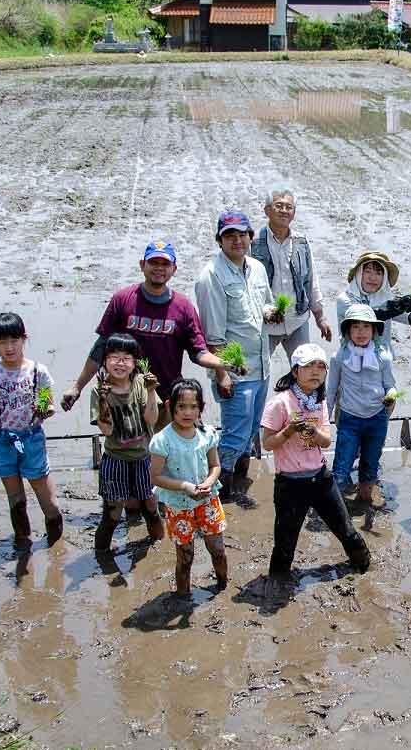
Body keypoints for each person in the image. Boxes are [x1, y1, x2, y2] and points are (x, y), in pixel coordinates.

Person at [60, 240, 235, 428]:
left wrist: (225, 365)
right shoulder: (123, 299)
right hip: (128, 397)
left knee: (175, 451)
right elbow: (101, 348)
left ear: (174, 268)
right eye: (154, 263)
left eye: (165, 264)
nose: (159, 268)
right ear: (142, 265)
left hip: (168, 397)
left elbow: (198, 352)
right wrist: (77, 387)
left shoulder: (183, 307)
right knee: (129, 451)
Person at [262, 343, 370, 579]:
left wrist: (312, 431)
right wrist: (289, 431)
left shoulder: (318, 401)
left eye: (320, 367)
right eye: (308, 366)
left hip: (321, 479)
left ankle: (365, 568)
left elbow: (326, 441)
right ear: (294, 371)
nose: (315, 371)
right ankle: (278, 583)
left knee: (347, 531)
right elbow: (267, 444)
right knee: (285, 543)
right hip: (290, 484)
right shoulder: (279, 403)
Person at [194, 211, 276, 505]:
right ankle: (221, 492)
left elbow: (265, 305)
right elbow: (212, 336)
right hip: (236, 373)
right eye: (230, 235)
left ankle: (240, 476)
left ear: (251, 237)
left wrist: (272, 312)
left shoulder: (256, 267)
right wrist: (222, 374)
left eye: (242, 234)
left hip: (261, 365)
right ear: (220, 240)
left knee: (251, 428)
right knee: (234, 434)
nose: (237, 240)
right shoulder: (211, 277)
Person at [0, 312, 63, 547]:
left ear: (24, 339)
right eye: (2, 342)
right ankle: (23, 543)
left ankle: (56, 546)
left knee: (48, 501)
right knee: (16, 498)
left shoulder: (38, 372)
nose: (9, 347)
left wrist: (43, 409)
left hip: (31, 438)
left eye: (14, 340)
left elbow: (48, 406)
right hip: (2, 439)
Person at [149, 378, 227, 597]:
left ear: (201, 408)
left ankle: (222, 586)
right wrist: (184, 486)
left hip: (208, 501)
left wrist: (209, 482)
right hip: (178, 507)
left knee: (218, 550)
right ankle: (183, 596)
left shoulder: (207, 434)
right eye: (181, 406)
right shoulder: (162, 440)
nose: (187, 412)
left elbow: (215, 466)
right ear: (169, 406)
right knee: (185, 556)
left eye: (194, 407)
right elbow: (155, 477)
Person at [91, 333, 164, 551]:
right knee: (112, 513)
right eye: (114, 357)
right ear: (105, 361)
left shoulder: (141, 383)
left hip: (143, 458)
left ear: (135, 363)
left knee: (151, 506)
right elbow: (107, 430)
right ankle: (101, 555)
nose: (120, 363)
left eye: (126, 358)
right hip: (115, 459)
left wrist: (151, 392)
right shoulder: (99, 390)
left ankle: (160, 547)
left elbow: (152, 419)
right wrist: (104, 401)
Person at [249, 189, 333, 358]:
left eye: (289, 207)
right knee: (259, 371)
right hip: (264, 324)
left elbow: (310, 280)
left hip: (297, 320)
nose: (284, 211)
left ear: (294, 213)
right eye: (279, 206)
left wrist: (320, 318)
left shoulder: (301, 242)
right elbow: (246, 286)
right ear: (267, 210)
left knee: (304, 369)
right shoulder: (253, 243)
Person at [326, 304, 396, 503]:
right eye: (355, 327)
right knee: (341, 466)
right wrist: (324, 419)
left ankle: (365, 500)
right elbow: (331, 390)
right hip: (349, 418)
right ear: (347, 331)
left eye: (366, 327)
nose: (360, 332)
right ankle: (334, 509)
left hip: (377, 418)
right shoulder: (340, 356)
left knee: (370, 465)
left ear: (374, 330)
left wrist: (391, 395)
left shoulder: (383, 356)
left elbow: (390, 385)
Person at [336, 251, 411, 353]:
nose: (373, 278)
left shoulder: (384, 299)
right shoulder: (345, 300)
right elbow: (367, 318)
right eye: (368, 271)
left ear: (384, 277)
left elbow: (409, 319)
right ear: (359, 274)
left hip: (382, 361)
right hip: (352, 361)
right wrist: (397, 307)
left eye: (379, 273)